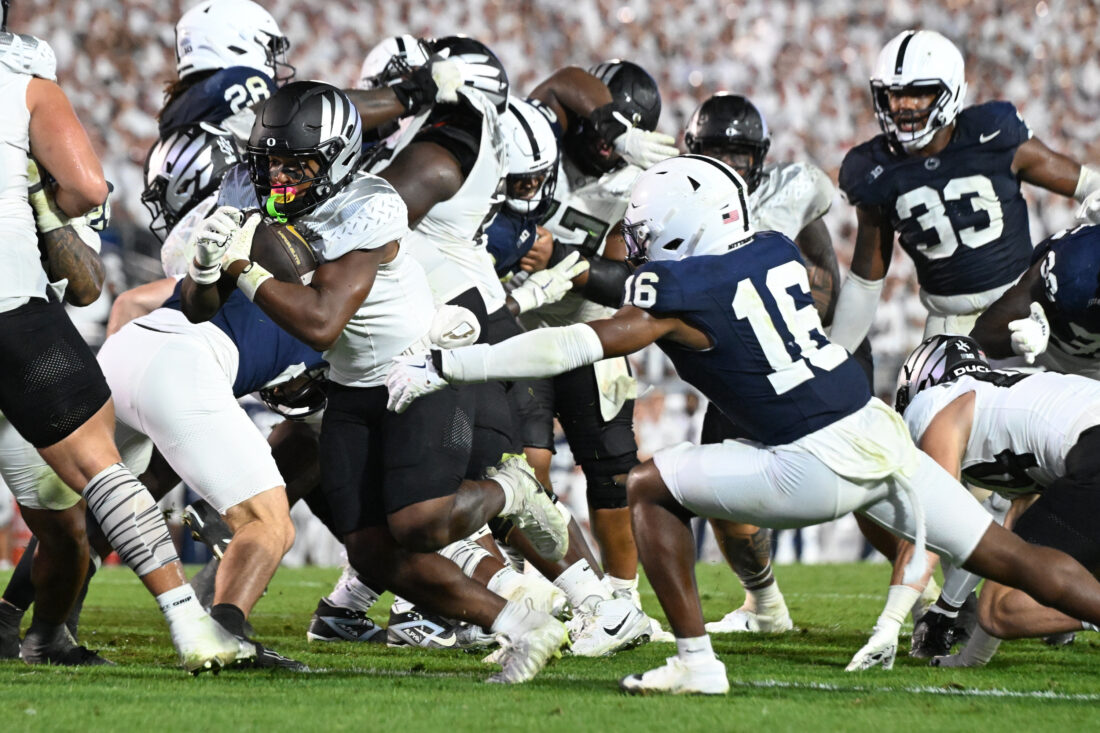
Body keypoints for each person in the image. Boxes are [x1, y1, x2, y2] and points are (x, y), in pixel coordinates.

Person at [387, 154, 1100, 694]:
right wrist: (568, 277)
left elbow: (575, 343)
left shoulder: (681, 289)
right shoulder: (773, 249)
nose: (639, 241)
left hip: (815, 460)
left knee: (647, 486)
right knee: (1013, 558)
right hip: (875, 429)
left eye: (645, 230)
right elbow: (656, 287)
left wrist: (455, 365)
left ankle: (697, 662)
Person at [185, 80, 569, 684]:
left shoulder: (370, 203)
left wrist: (240, 263)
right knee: (369, 550)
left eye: (297, 163)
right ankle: (525, 627)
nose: (278, 176)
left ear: (337, 159)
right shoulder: (245, 188)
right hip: (350, 384)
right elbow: (198, 308)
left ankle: (512, 490)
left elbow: (321, 320)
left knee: (419, 524)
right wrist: (204, 268)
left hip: (417, 371)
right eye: (270, 162)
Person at [0, 31, 250, 673]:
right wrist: (41, 200)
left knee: (63, 526)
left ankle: (29, 631)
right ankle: (187, 622)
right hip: (12, 311)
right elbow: (87, 196)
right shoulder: (27, 89)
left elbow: (85, 285)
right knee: (100, 472)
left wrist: (41, 208)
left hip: (23, 326)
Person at [684, 91, 869, 635]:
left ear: (760, 156)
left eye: (739, 154)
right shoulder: (680, 201)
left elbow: (824, 287)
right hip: (743, 369)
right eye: (716, 153)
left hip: (805, 355)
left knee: (868, 482)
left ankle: (926, 593)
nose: (728, 165)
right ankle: (764, 606)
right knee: (716, 487)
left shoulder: (792, 192)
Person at [831, 29, 1100, 351]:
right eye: (894, 95)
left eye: (919, 94)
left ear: (950, 91)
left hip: (1024, 307)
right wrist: (837, 355)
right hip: (950, 324)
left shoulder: (991, 134)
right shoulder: (873, 168)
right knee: (932, 385)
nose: (903, 106)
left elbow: (1085, 183)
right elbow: (865, 281)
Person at [886, 334, 1100, 667]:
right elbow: (1005, 548)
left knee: (1002, 608)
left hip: (1093, 452)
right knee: (1021, 586)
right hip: (1088, 452)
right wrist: (963, 647)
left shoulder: (937, 406)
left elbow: (934, 518)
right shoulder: (1004, 402)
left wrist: (890, 620)